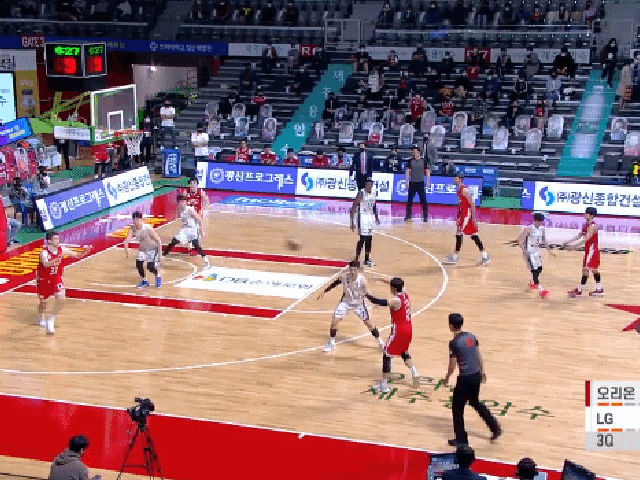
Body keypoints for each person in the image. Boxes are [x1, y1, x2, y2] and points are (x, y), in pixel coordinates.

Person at [443, 313, 502, 447]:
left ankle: (461, 439)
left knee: (457, 407)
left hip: (465, 378)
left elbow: (452, 365)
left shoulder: (454, 343)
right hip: (476, 375)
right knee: (475, 402)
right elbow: (478, 355)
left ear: (451, 326)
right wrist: (482, 371)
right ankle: (494, 427)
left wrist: (446, 378)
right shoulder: (472, 337)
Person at [365, 277, 420, 392]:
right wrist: (381, 279)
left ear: (393, 288)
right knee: (404, 351)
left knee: (387, 355)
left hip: (399, 330)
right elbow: (395, 283)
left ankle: (384, 385)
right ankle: (414, 371)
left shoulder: (396, 300)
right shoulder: (405, 294)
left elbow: (377, 301)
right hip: (408, 328)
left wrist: (365, 294)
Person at [318, 260, 384, 353]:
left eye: (354, 270)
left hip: (358, 304)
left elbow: (367, 293)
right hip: (345, 302)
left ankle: (381, 343)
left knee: (369, 324)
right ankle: (332, 343)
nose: (352, 272)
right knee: (334, 321)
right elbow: (335, 283)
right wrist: (324, 291)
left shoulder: (362, 280)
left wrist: (374, 302)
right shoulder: (344, 276)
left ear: (358, 270)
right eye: (351, 269)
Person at [37, 231, 92, 334]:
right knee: (43, 303)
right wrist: (54, 261)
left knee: (61, 298)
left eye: (58, 238)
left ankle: (51, 318)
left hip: (56, 278)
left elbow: (76, 255)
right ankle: (40, 316)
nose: (58, 241)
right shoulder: (44, 252)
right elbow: (45, 264)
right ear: (49, 241)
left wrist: (85, 252)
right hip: (44, 279)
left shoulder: (62, 249)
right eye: (55, 239)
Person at [444, 174, 490, 266]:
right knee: (474, 235)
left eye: (455, 178)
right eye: (454, 178)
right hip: (463, 215)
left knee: (459, 234)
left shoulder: (464, 190)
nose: (454, 180)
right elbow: (461, 206)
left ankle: (455, 258)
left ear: (460, 179)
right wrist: (458, 217)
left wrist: (473, 218)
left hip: (467, 216)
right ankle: (484, 256)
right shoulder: (459, 190)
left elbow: (472, 203)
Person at [564, 207, 603, 297]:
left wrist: (573, 247)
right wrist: (568, 242)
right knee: (590, 270)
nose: (584, 214)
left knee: (588, 270)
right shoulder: (585, 225)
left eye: (586, 213)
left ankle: (581, 290)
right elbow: (579, 236)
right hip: (588, 250)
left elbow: (585, 239)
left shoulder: (593, 226)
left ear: (591, 216)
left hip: (592, 250)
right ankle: (598, 289)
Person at [163, 194, 209, 268]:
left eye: (183, 202)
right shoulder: (178, 210)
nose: (182, 203)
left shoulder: (190, 210)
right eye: (180, 202)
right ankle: (163, 255)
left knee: (196, 245)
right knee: (174, 241)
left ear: (185, 202)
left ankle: (206, 261)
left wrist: (202, 231)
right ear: (178, 203)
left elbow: (199, 219)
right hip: (185, 229)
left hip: (193, 229)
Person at [124, 212, 163, 288]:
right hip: (142, 249)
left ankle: (158, 274)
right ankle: (144, 281)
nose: (136, 221)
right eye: (134, 219)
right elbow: (126, 240)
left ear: (141, 219)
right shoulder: (132, 228)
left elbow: (158, 240)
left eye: (137, 219)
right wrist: (127, 251)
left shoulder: (148, 228)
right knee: (139, 265)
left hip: (152, 249)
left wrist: (160, 254)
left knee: (150, 267)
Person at [517, 212, 551, 298]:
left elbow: (544, 240)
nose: (540, 223)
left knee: (539, 269)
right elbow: (520, 240)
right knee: (534, 271)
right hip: (529, 251)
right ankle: (541, 290)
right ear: (535, 220)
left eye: (541, 221)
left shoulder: (542, 229)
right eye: (539, 221)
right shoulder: (529, 229)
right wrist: (524, 250)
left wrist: (549, 249)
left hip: (537, 250)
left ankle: (532, 282)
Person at [351, 178, 380, 267]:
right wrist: (352, 222)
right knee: (363, 238)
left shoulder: (374, 192)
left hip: (369, 216)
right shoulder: (361, 193)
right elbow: (354, 207)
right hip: (362, 216)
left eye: (371, 185)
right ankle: (356, 259)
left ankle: (367, 260)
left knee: (369, 238)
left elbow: (374, 205)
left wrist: (376, 217)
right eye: (368, 185)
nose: (369, 187)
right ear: (365, 185)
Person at [404, 146, 430, 222]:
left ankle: (425, 216)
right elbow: (407, 171)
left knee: (423, 200)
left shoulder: (424, 161)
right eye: (413, 152)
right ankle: (408, 216)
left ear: (419, 153)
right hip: (412, 183)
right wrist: (406, 181)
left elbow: (427, 172)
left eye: (415, 152)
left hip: (420, 183)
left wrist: (428, 181)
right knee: (409, 200)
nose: (414, 153)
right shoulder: (410, 161)